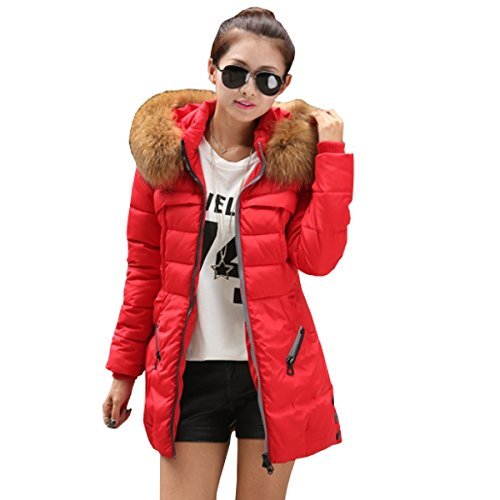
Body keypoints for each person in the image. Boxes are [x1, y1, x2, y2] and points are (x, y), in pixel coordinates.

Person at [102, 6, 354, 499]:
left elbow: (318, 259)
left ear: (284, 85)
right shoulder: (164, 160)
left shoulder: (290, 164)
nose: (248, 90)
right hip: (187, 371)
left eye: (267, 79)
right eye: (236, 73)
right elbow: (143, 272)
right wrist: (123, 371)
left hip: (274, 371)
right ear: (212, 70)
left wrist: (331, 157)